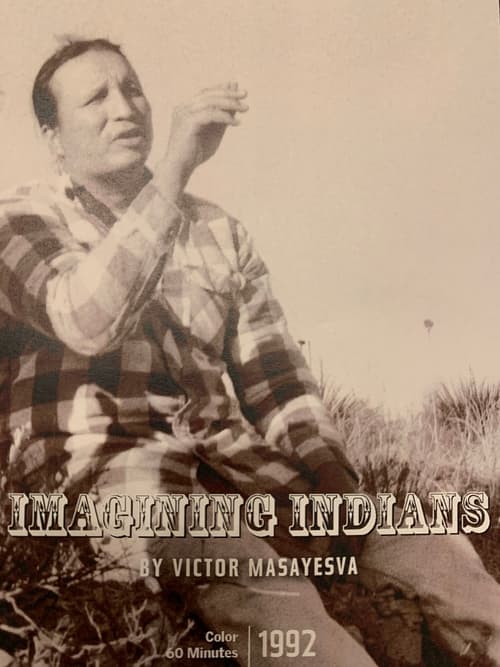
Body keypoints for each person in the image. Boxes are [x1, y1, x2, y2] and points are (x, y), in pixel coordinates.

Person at [0, 38, 498, 666]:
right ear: (53, 138)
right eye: (95, 98)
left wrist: (336, 483)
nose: (123, 108)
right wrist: (174, 172)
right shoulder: (20, 220)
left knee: (431, 550)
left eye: (132, 89)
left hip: (244, 474)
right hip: (114, 485)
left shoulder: (219, 232)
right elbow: (84, 319)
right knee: (274, 598)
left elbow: (279, 384)